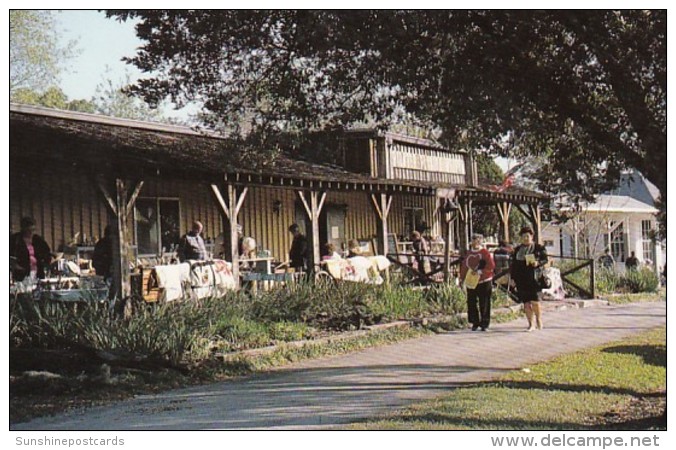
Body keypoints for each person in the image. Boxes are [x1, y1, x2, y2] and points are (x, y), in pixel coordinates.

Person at [510, 226, 548, 331]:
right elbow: (513, 265)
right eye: (523, 236)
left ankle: (538, 319)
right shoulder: (517, 250)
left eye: (528, 236)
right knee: (526, 303)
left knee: (535, 301)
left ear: (532, 236)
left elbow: (545, 259)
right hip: (521, 279)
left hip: (534, 278)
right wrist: (512, 278)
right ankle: (531, 324)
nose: (526, 238)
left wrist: (538, 263)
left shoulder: (538, 248)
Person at [460, 234, 496, 331]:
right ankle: (474, 322)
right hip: (471, 280)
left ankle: (484, 323)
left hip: (484, 280)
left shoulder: (485, 252)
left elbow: (491, 265)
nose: (476, 242)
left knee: (484, 302)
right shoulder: (468, 253)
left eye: (478, 240)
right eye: (474, 240)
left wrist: (480, 271)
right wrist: (462, 278)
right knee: (471, 301)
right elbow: (464, 266)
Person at [10, 217, 52, 281]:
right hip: (22, 274)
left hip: (38, 273)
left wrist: (47, 261)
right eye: (29, 230)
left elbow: (47, 253)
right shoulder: (15, 240)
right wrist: (16, 266)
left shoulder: (38, 240)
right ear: (23, 229)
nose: (31, 232)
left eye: (33, 230)